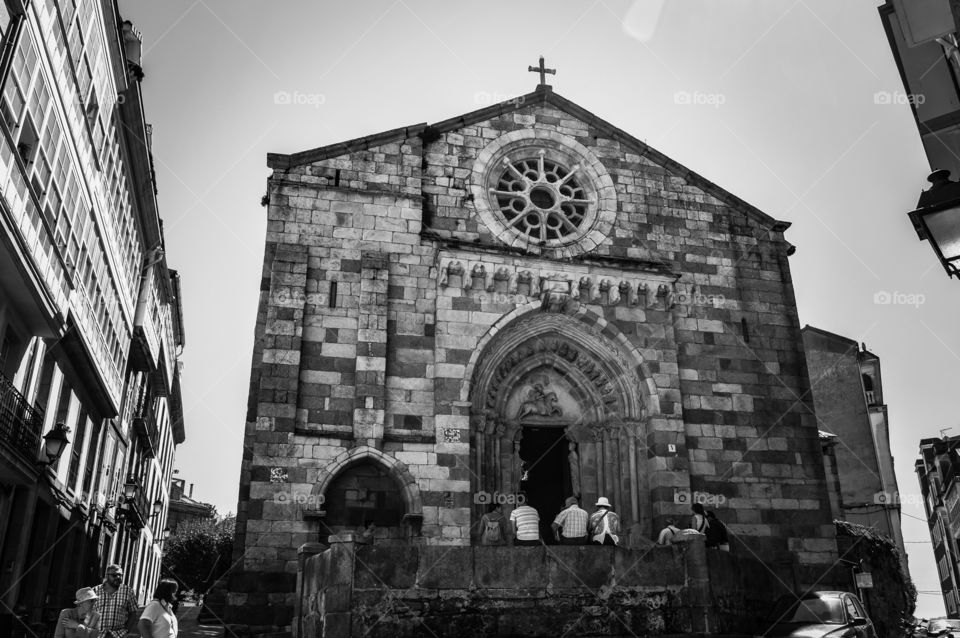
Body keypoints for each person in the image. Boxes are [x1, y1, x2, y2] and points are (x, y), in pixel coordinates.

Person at [93, 564, 139, 638]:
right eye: (114, 575)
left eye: (120, 575)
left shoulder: (128, 591)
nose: (118, 577)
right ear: (107, 576)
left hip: (118, 635)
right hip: (97, 634)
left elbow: (133, 613)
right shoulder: (95, 591)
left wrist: (126, 631)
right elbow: (88, 613)